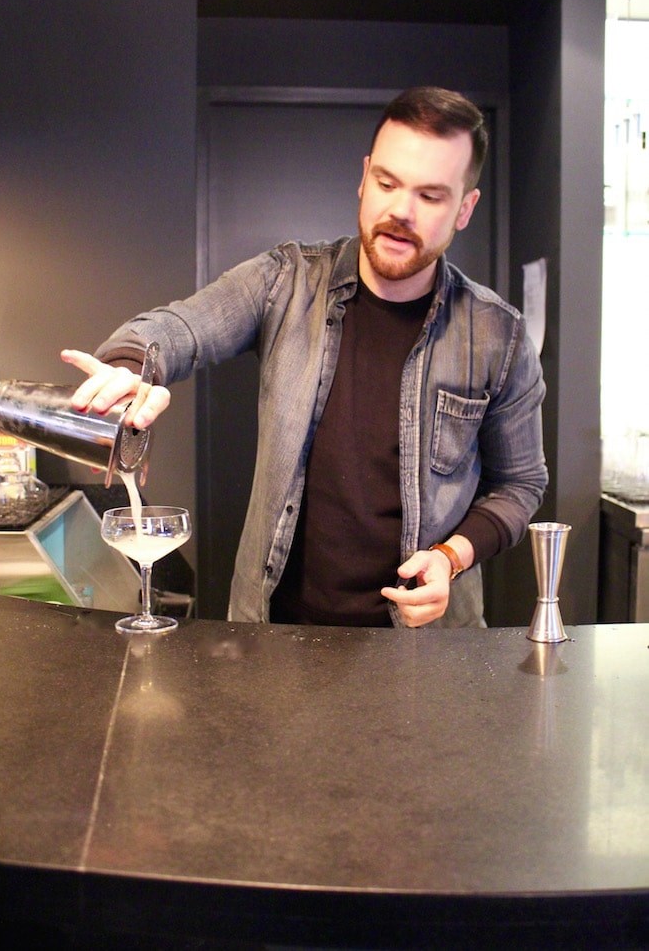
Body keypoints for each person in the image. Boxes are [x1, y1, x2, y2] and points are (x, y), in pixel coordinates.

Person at [62, 86, 547, 630]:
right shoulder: (285, 282)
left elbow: (519, 484)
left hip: (425, 651)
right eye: (386, 183)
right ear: (364, 177)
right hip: (277, 640)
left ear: (465, 208)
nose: (400, 211)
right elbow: (182, 328)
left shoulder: (496, 334)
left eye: (430, 196)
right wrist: (131, 368)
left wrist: (452, 555)